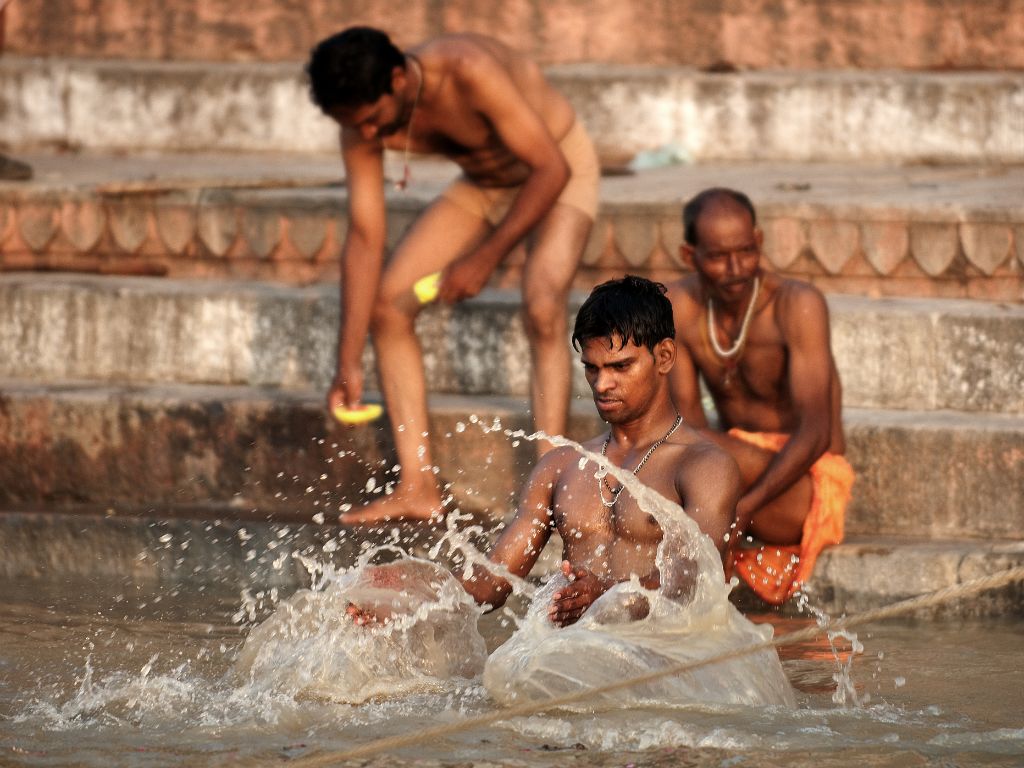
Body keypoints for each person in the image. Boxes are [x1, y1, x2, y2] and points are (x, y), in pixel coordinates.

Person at [306, 27, 599, 525]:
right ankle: (417, 487)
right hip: (485, 184)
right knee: (388, 306)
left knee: (543, 303)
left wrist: (485, 258)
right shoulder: (358, 119)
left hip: (558, 166)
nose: (368, 135)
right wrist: (348, 359)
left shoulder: (466, 69)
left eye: (373, 120)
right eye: (356, 126)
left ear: (398, 79)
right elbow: (364, 235)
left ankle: (548, 485)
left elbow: (550, 169)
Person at [348, 276, 741, 628]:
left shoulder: (704, 466)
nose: (602, 384)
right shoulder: (561, 466)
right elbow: (490, 587)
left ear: (665, 357)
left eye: (620, 367)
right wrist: (405, 595)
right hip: (575, 657)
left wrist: (608, 594)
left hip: (664, 660)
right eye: (592, 368)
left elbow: (695, 581)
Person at [665, 187, 855, 605]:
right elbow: (688, 424)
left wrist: (744, 507)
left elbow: (818, 432)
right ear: (689, 255)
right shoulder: (678, 305)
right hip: (733, 472)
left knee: (671, 444)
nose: (736, 269)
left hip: (805, 484)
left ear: (759, 242)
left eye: (746, 251)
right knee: (668, 443)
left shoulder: (797, 304)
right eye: (718, 256)